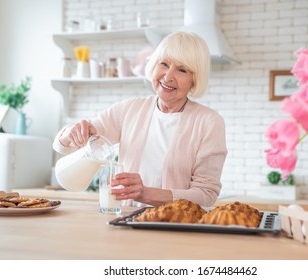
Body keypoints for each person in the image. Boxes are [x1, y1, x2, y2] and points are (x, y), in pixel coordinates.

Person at [53, 31, 227, 207]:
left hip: (176, 226)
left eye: (182, 70)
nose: (168, 76)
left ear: (194, 80)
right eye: (164, 64)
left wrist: (146, 193)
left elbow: (206, 195)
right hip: (128, 221)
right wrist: (72, 132)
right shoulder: (129, 109)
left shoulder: (209, 122)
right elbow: (63, 147)